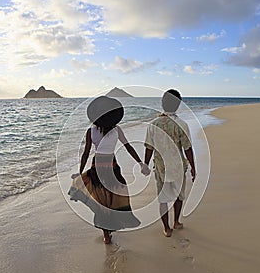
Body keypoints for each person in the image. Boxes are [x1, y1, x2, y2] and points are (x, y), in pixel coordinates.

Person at [69, 96, 150, 244]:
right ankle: (112, 227)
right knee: (114, 198)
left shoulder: (90, 131)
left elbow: (86, 153)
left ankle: (106, 235)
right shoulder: (116, 130)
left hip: (97, 167)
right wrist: (140, 163)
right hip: (112, 167)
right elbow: (128, 146)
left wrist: (80, 171)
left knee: (101, 201)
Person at [143, 89, 196, 237]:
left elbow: (149, 147)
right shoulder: (181, 124)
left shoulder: (153, 124)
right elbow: (188, 148)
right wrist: (193, 167)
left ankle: (166, 228)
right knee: (179, 196)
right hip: (178, 167)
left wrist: (145, 165)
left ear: (162, 103)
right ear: (178, 104)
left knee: (163, 199)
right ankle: (176, 222)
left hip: (161, 168)